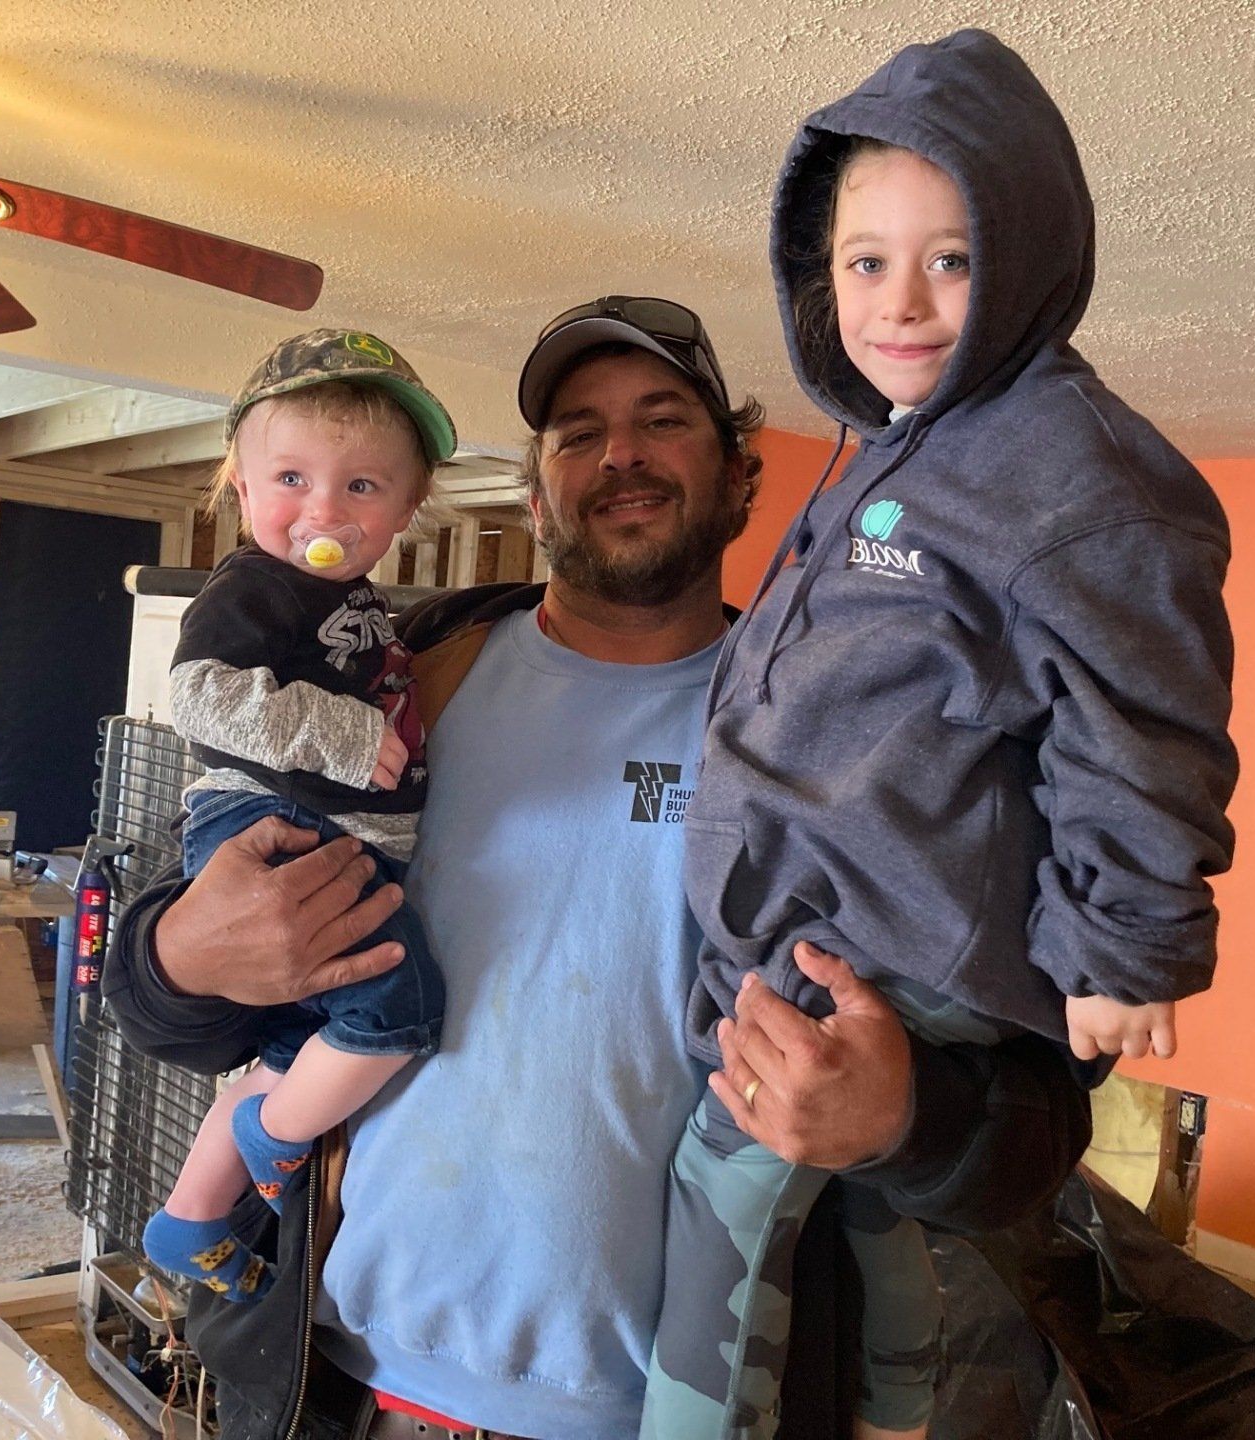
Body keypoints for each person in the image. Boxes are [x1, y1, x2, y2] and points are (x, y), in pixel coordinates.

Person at [105, 297, 1095, 1440]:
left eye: (663, 420)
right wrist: (178, 956)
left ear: (740, 479)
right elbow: (171, 996)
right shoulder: (400, 681)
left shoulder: (847, 733)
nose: (620, 453)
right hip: (340, 1389)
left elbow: (1038, 1114)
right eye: (579, 434)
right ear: (535, 499)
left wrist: (903, 1116)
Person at [644, 30, 1239, 1440]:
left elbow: (1145, 710)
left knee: (723, 1190)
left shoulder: (1077, 468)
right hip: (846, 932)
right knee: (882, 1230)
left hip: (891, 943)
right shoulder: (904, 452)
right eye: (866, 261)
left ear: (1025, 258)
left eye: (952, 259)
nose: (901, 302)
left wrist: (1127, 942)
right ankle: (905, 1418)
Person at [140, 329, 456, 1303]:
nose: (322, 510)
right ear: (242, 488)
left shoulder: (354, 598)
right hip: (273, 821)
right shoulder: (254, 585)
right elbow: (199, 697)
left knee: (295, 1043)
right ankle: (271, 1133)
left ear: (406, 508)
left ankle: (190, 1217)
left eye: (361, 486)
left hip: (334, 830)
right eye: (290, 479)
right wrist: (346, 737)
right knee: (398, 1009)